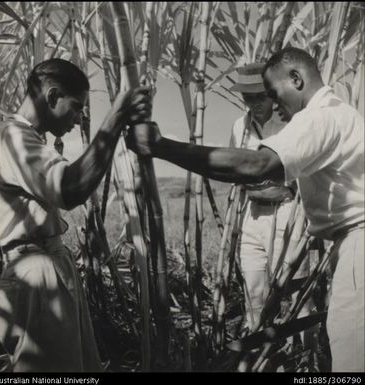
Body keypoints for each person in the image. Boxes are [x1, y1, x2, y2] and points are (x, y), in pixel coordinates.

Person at [127, 47, 364, 372]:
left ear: (296, 78)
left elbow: (255, 164)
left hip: (357, 247)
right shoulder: (336, 111)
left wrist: (161, 147)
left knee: (351, 359)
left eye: (274, 93)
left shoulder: (320, 117)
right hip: (345, 243)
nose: (275, 105)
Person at [0, 58, 151, 372]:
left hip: (45, 266)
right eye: (77, 107)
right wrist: (116, 115)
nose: (78, 119)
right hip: (36, 275)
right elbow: (70, 188)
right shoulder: (12, 138)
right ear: (51, 97)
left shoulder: (27, 139)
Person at [228, 62, 310, 333]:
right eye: (247, 98)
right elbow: (235, 168)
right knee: (253, 294)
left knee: (295, 292)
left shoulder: (290, 119)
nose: (254, 103)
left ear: (271, 93)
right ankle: (259, 352)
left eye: (259, 96)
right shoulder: (239, 126)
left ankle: (306, 357)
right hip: (252, 214)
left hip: (287, 210)